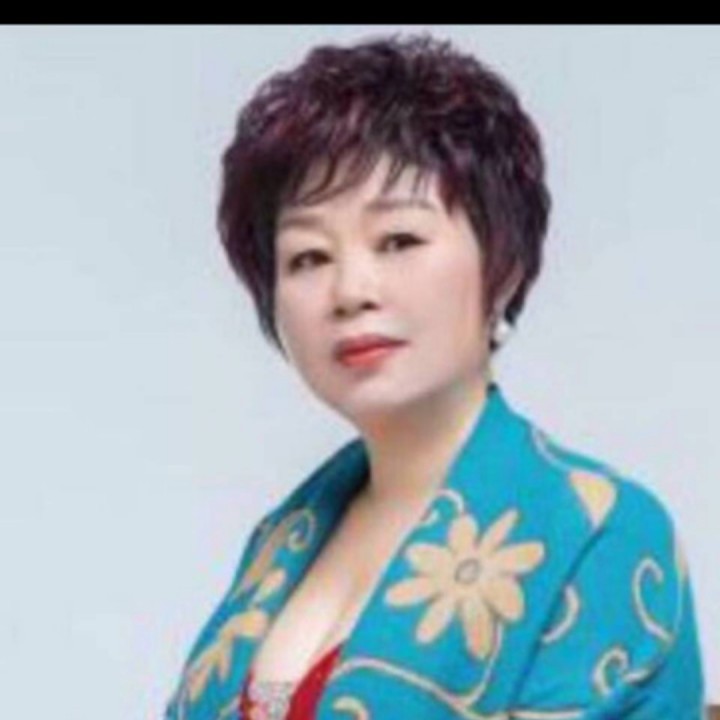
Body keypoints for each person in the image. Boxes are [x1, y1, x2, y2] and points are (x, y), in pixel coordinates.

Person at [164, 32, 706, 720]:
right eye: (308, 257)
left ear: (503, 266)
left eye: (399, 240)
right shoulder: (280, 540)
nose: (350, 291)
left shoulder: (600, 533)